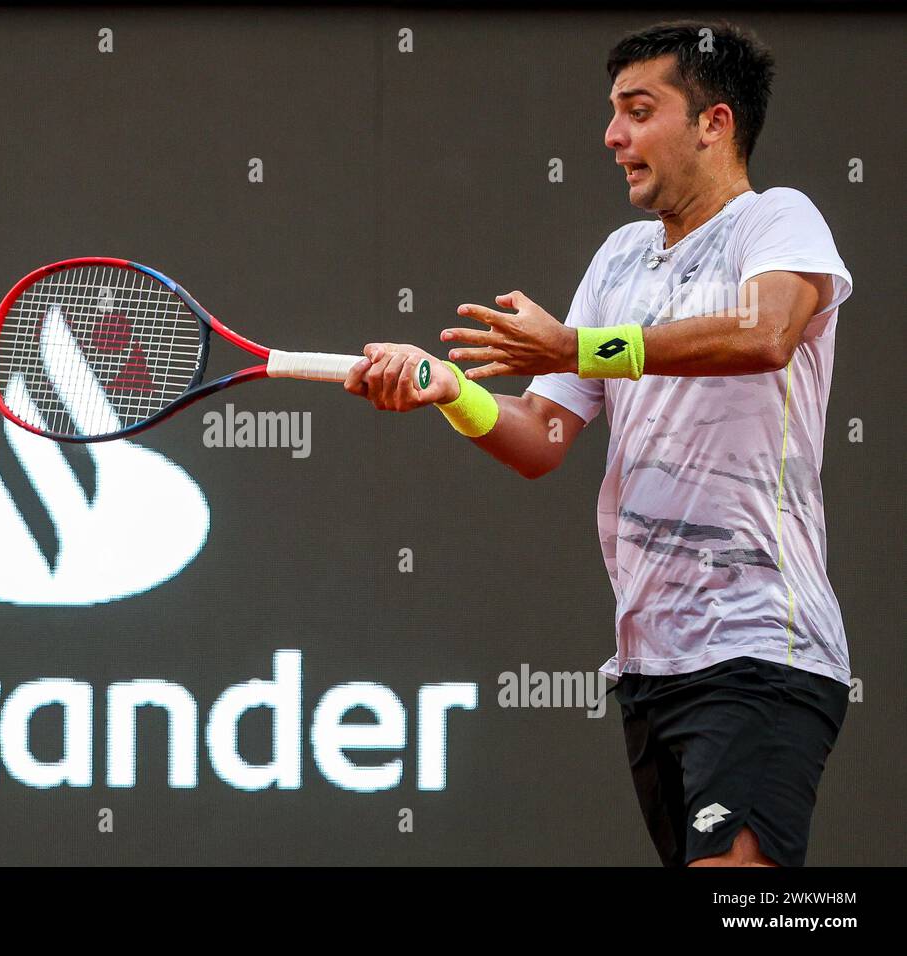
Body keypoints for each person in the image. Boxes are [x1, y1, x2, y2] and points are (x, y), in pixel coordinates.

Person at [345, 20, 852, 867]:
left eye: (637, 109)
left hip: (761, 643)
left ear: (714, 123)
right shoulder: (619, 259)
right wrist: (451, 389)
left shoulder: (778, 221)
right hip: (649, 662)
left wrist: (577, 346)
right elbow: (542, 436)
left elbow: (765, 336)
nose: (612, 135)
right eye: (613, 112)